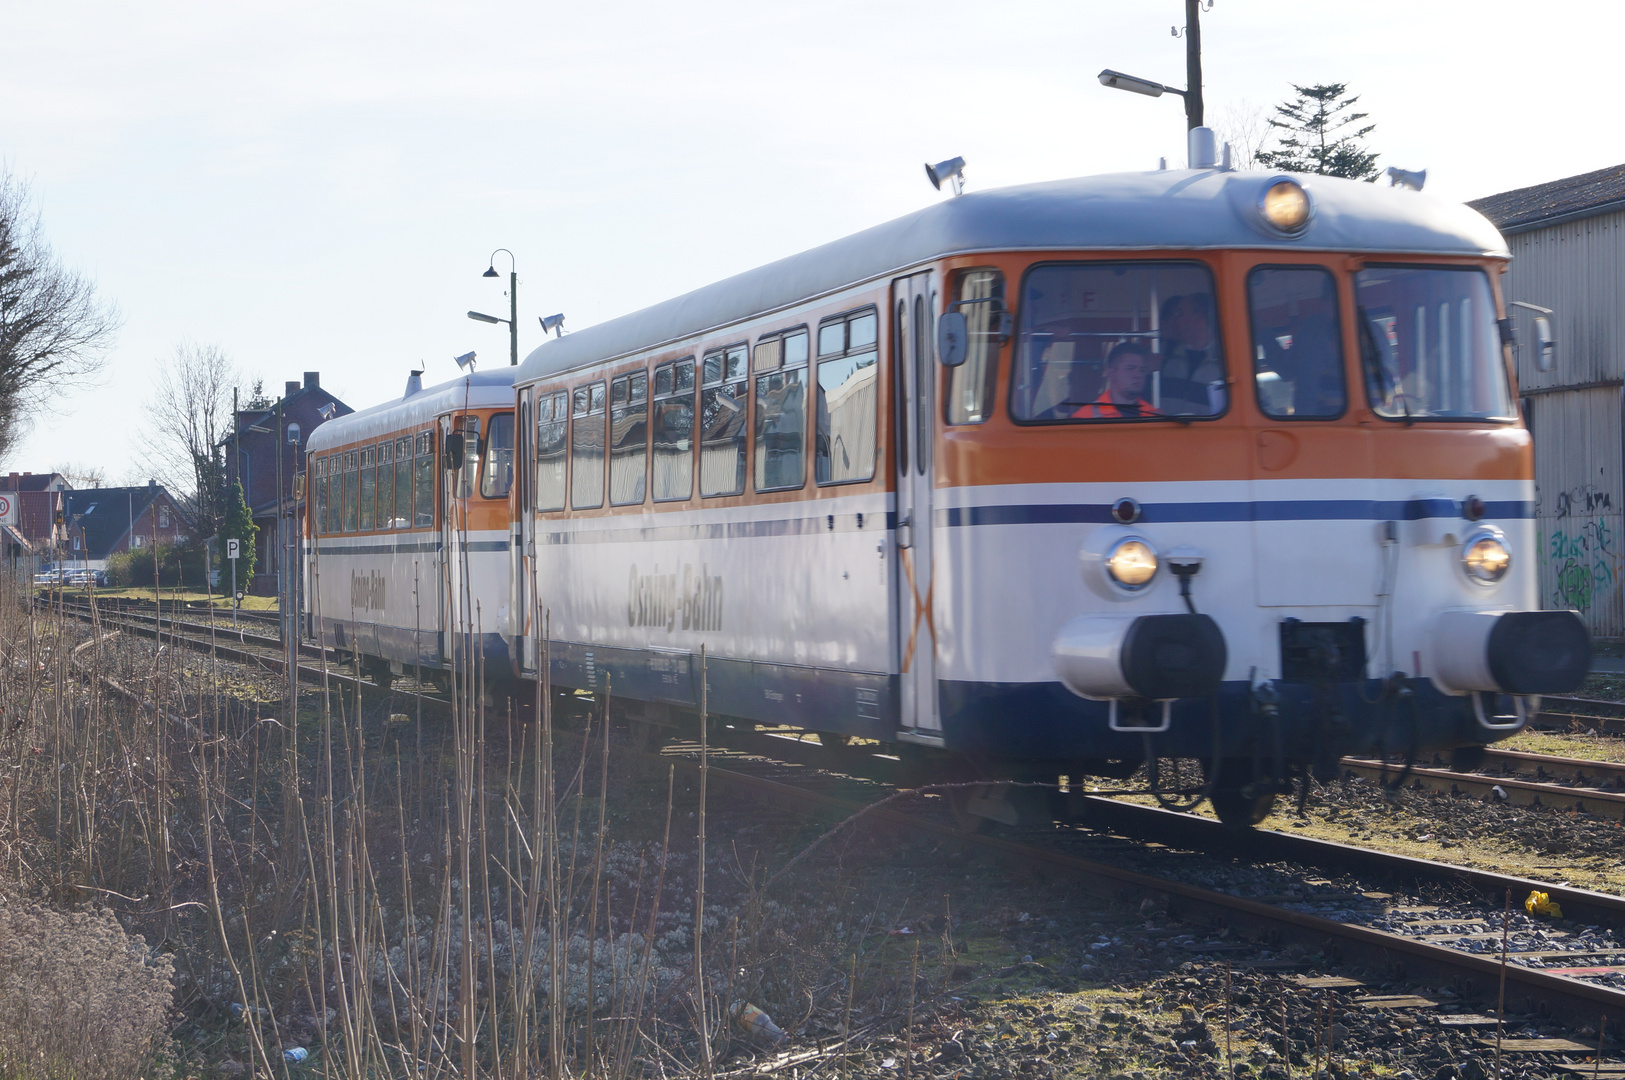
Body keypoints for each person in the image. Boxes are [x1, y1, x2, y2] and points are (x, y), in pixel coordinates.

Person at [1157, 293, 1223, 414]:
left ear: (1200, 316)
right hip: (1165, 431)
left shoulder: (1227, 360)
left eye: (1179, 314)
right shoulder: (1163, 354)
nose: (1175, 319)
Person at [1075, 342, 1160, 418]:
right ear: (1111, 373)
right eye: (1130, 368)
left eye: (1142, 370)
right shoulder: (1085, 417)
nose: (1138, 375)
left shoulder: (1154, 415)